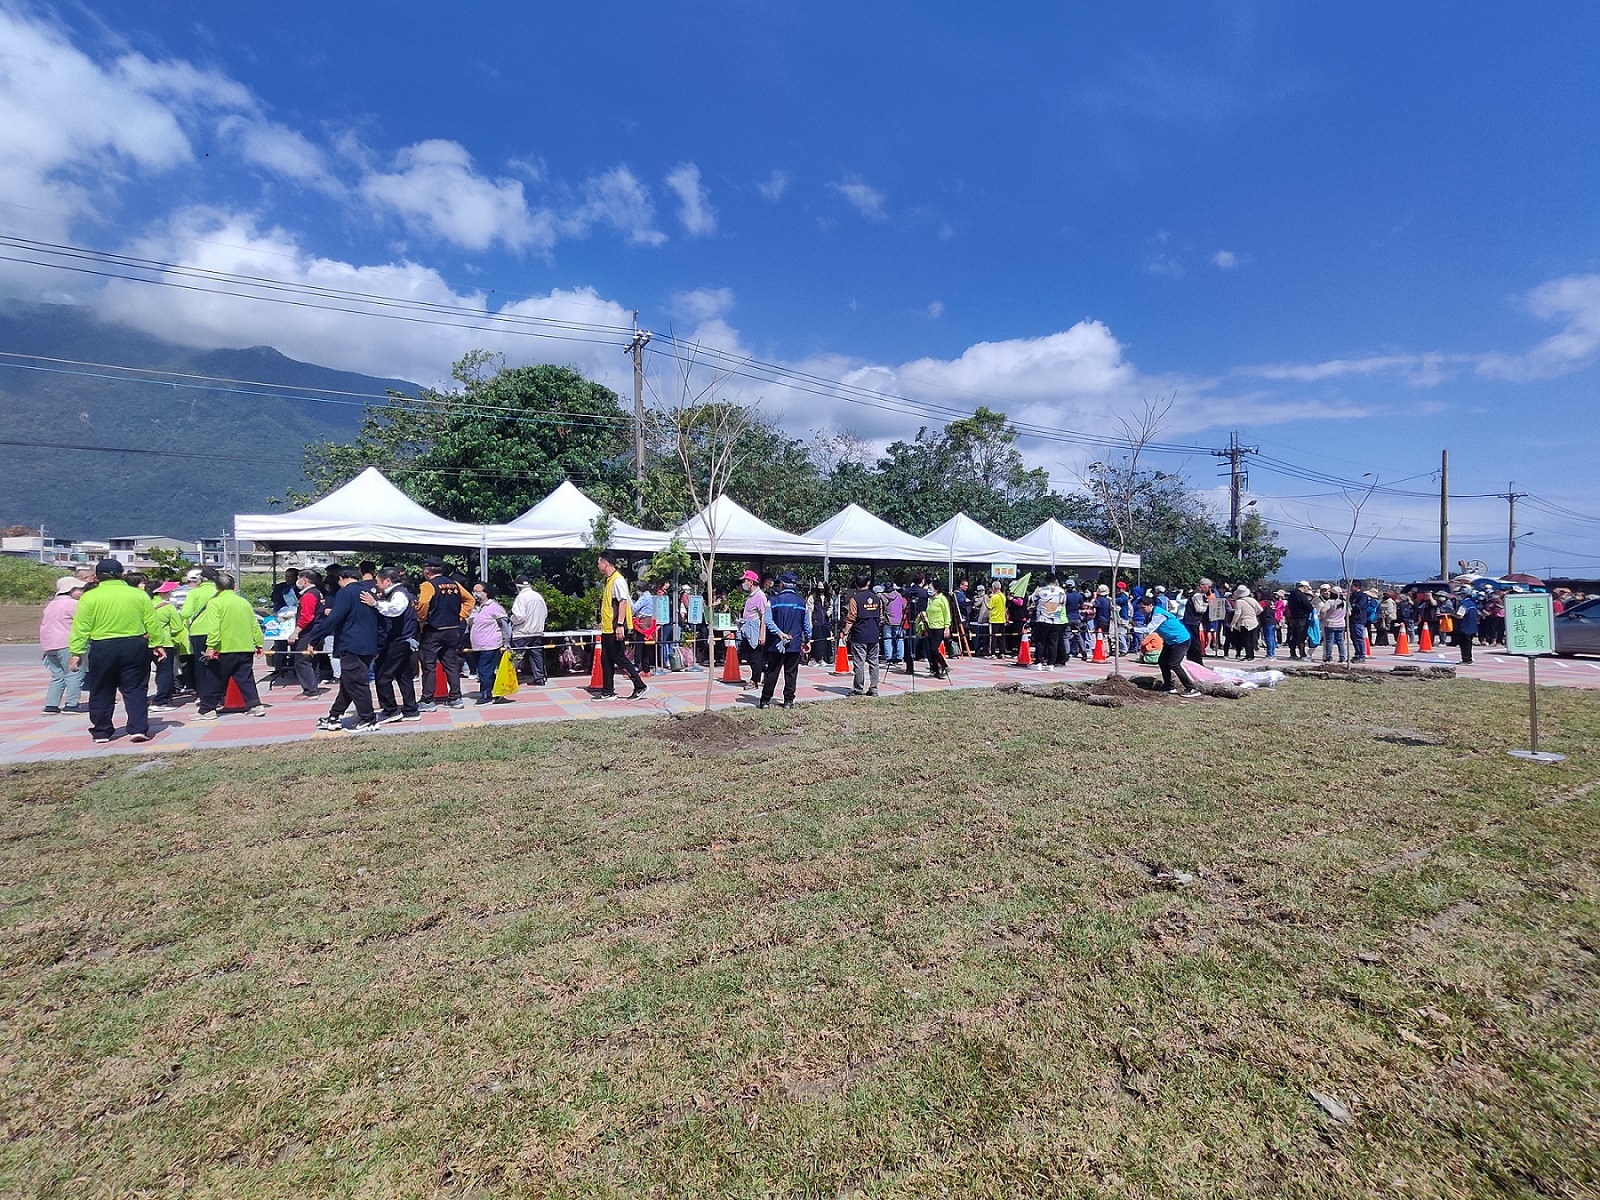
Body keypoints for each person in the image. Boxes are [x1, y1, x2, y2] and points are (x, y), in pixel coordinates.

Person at [67, 558, 164, 744]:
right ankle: (138, 728)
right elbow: (152, 622)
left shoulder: (90, 597)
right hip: (134, 645)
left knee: (101, 689)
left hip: (103, 647)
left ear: (97, 576)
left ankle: (102, 731)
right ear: (122, 574)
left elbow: (81, 627)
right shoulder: (138, 595)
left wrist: (76, 652)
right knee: (135, 688)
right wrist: (157, 644)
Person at [305, 567, 380, 732]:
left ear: (342, 578)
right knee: (348, 682)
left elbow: (334, 617)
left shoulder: (346, 592)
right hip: (368, 644)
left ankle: (368, 719)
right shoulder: (369, 593)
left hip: (351, 643)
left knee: (357, 683)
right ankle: (334, 716)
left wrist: (315, 638)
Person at [192, 572, 266, 720]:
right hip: (245, 647)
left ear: (217, 588)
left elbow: (214, 627)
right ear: (234, 586)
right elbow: (254, 624)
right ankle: (255, 705)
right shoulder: (244, 602)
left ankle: (207, 709)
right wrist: (259, 643)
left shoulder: (215, 603)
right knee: (245, 678)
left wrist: (211, 646)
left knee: (214, 679)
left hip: (224, 648)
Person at [417, 559, 471, 710]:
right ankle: (455, 698)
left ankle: (427, 700)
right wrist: (461, 616)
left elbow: (423, 603)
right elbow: (470, 600)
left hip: (434, 630)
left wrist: (421, 618)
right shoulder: (454, 584)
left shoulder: (428, 585)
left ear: (427, 570)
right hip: (453, 629)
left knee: (429, 665)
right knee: (451, 665)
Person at [593, 552, 647, 700]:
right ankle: (608, 691)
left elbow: (623, 602)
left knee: (619, 657)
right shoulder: (609, 580)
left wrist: (619, 625)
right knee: (606, 659)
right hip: (607, 628)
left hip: (615, 627)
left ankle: (639, 685)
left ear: (605, 563)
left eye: (599, 562)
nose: (598, 565)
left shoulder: (617, 580)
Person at [373, 566, 421, 722]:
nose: (377, 585)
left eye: (378, 581)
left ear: (387, 581)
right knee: (403, 676)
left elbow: (395, 610)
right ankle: (411, 709)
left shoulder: (399, 594)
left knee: (383, 676)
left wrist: (376, 604)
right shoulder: (400, 592)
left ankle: (391, 710)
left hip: (399, 641)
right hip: (402, 640)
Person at [758, 572, 810, 709]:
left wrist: (780, 634)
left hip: (775, 644)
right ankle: (788, 701)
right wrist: (808, 640)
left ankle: (765, 701)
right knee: (791, 673)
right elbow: (806, 625)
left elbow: (768, 621)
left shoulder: (773, 601)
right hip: (794, 644)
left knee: (772, 672)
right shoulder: (802, 603)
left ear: (782, 584)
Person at [1137, 595, 1201, 697]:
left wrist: (1132, 629)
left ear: (1150, 605)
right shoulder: (1150, 614)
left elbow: (1149, 629)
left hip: (1180, 641)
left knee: (1174, 664)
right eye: (1140, 608)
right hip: (1170, 641)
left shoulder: (1158, 614)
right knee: (1162, 661)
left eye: (1143, 608)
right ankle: (1169, 686)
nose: (1141, 610)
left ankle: (1192, 688)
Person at [39, 576, 86, 714]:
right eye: (79, 589)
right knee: (74, 673)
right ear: (70, 590)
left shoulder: (52, 604)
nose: (82, 592)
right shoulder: (72, 604)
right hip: (66, 643)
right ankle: (71, 704)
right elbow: (83, 621)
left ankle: (51, 705)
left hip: (49, 644)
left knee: (57, 675)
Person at [468, 581, 513, 705]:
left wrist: (506, 642)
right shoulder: (475, 608)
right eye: (473, 591)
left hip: (490, 645)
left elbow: (505, 626)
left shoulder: (494, 607)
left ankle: (486, 695)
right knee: (484, 671)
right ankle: (496, 691)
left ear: (486, 593)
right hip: (477, 646)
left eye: (478, 591)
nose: (475, 594)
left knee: (484, 671)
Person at [838, 572, 883, 696]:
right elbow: (880, 616)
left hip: (859, 635)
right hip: (874, 634)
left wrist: (845, 632)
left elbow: (851, 618)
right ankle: (874, 688)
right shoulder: (877, 598)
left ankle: (859, 688)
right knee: (874, 663)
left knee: (859, 663)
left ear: (856, 584)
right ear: (868, 583)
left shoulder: (855, 599)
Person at [179, 566, 219, 698]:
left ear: (201, 579)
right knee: (217, 662)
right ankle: (219, 694)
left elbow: (186, 613)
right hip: (217, 630)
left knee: (200, 664)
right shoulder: (219, 591)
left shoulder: (194, 593)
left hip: (198, 632)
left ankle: (203, 695)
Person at [146, 579, 187, 708]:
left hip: (144, 642)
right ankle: (161, 700)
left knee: (143, 673)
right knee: (165, 672)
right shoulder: (168, 607)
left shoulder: (143, 605)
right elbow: (177, 627)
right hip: (164, 643)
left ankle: (142, 699)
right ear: (161, 592)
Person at [290, 568, 326, 697]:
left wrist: (295, 632)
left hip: (308, 633)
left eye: (298, 578)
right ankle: (313, 686)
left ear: (304, 580)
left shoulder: (309, 595)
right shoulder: (317, 593)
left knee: (302, 660)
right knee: (313, 660)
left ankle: (310, 690)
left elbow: (306, 617)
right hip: (316, 631)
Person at [510, 575, 549, 685]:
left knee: (516, 657)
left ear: (517, 586)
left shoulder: (521, 598)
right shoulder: (538, 597)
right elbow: (545, 613)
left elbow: (519, 616)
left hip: (522, 633)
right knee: (536, 656)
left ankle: (509, 679)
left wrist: (511, 620)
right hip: (537, 632)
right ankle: (539, 678)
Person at [737, 569, 768, 689]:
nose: (744, 583)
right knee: (749, 656)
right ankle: (766, 671)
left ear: (751, 582)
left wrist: (762, 633)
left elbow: (764, 615)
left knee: (755, 657)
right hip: (747, 629)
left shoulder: (760, 596)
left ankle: (754, 680)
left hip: (755, 629)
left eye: (745, 580)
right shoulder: (751, 596)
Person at [1032, 574, 1067, 669]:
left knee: (1040, 642)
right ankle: (1051, 663)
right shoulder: (1062, 592)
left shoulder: (1040, 591)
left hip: (1042, 619)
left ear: (1045, 581)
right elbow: (1063, 603)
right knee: (1053, 643)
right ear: (1055, 580)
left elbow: (1032, 602)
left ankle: (1038, 662)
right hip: (1056, 620)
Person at [923, 580, 952, 679]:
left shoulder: (942, 599)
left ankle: (944, 665)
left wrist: (947, 627)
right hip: (930, 627)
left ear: (936, 589)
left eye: (930, 588)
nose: (929, 590)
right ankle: (935, 670)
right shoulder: (930, 600)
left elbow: (947, 613)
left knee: (934, 649)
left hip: (939, 627)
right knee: (930, 651)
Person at [1229, 585, 1262, 660]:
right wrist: (1254, 614)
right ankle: (1251, 655)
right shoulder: (1253, 600)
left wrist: (1233, 623)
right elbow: (1260, 609)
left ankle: (1248, 656)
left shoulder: (1239, 602)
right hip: (1254, 621)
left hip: (1244, 622)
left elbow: (1237, 614)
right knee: (1252, 639)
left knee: (1246, 640)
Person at [1183, 579, 1211, 664]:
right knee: (1195, 642)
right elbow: (1199, 609)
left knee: (1192, 641)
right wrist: (1207, 604)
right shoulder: (1197, 595)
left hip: (1189, 620)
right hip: (1193, 621)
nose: (1208, 589)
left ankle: (1192, 659)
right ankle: (1197, 661)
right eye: (1208, 586)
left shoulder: (1195, 594)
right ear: (1202, 585)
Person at [1319, 585, 1348, 663]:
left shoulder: (1330, 602)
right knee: (1340, 642)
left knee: (1329, 641)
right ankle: (1342, 657)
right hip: (1341, 624)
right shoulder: (1345, 603)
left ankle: (1328, 657)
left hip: (1330, 624)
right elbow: (1349, 613)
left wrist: (1323, 618)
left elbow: (1323, 610)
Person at [1286, 581, 1315, 660]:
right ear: (1304, 587)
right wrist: (1311, 608)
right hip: (1302, 618)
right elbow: (1308, 606)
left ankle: (1292, 653)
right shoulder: (1301, 595)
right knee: (1301, 636)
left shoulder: (1291, 595)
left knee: (1294, 635)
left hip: (1293, 617)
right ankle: (1302, 654)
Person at [1454, 588, 1480, 664]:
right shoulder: (1472, 604)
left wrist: (1452, 614)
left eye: (1460, 594)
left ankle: (1466, 659)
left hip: (1464, 627)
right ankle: (1468, 658)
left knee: (1464, 644)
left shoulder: (1464, 605)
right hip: (1472, 627)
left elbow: (1460, 616)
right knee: (1469, 644)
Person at [987, 582, 1008, 657]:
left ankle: (993, 653)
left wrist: (986, 600)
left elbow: (989, 607)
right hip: (1002, 619)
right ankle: (1002, 652)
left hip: (994, 619)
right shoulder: (1003, 596)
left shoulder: (994, 597)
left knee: (994, 637)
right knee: (1001, 637)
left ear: (993, 588)